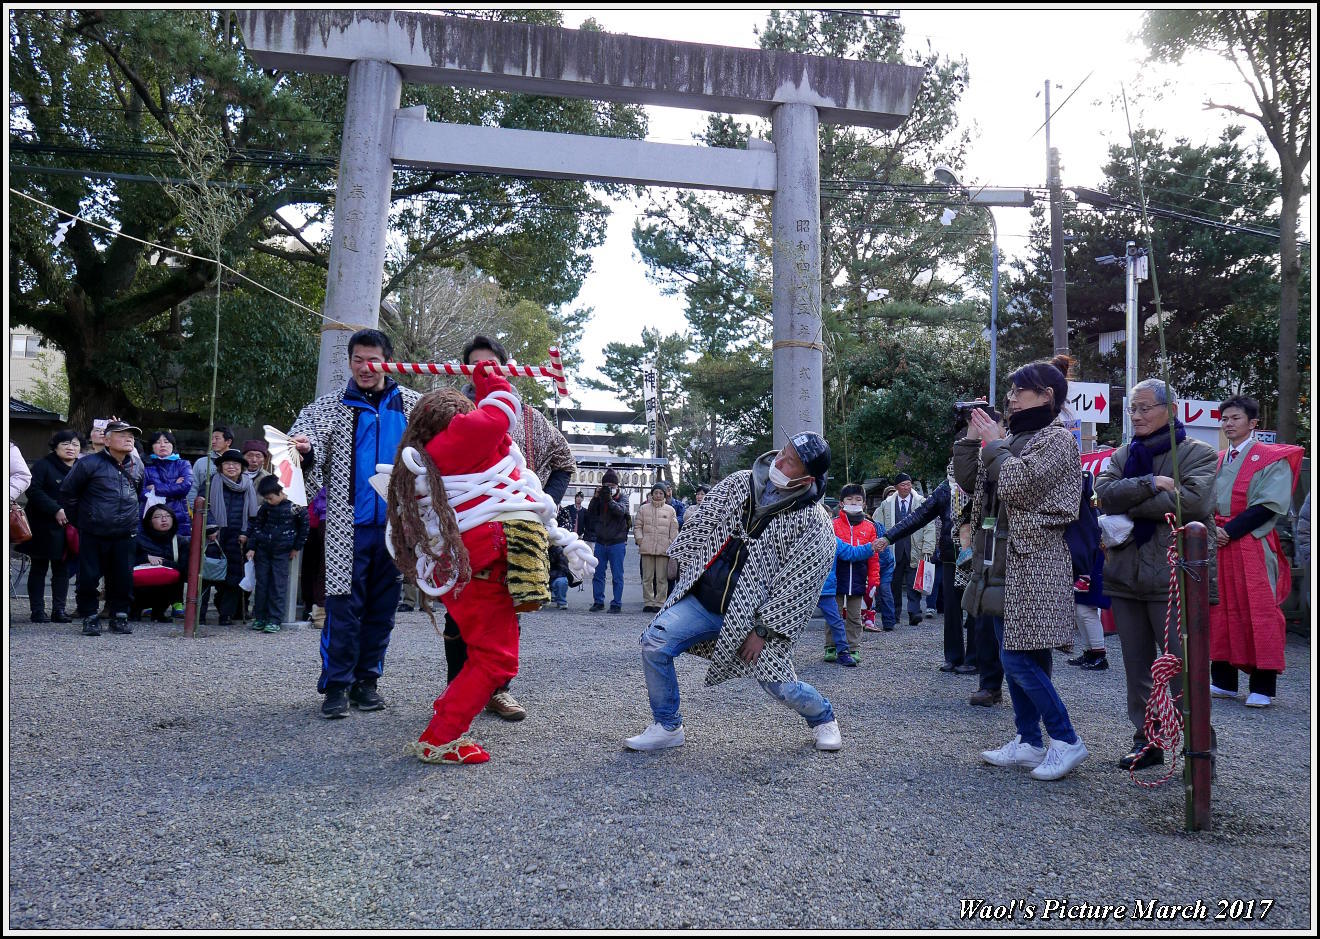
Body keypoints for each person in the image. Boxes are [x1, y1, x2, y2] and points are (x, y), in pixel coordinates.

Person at [384, 366, 594, 763]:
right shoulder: (458, 440)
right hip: (478, 573)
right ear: (455, 420)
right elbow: (502, 410)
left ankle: (450, 710)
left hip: (467, 572)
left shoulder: (435, 454)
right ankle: (440, 738)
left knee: (486, 652)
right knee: (497, 658)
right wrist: (489, 378)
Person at [624, 431, 842, 753]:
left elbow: (800, 585)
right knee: (654, 643)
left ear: (807, 477)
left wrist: (764, 630)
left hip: (752, 619)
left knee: (779, 686)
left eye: (790, 462)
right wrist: (679, 555)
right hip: (703, 600)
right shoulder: (741, 482)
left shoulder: (815, 523)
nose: (779, 461)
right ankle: (667, 725)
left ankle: (824, 717)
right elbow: (703, 521)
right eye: (782, 453)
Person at [961, 355, 1089, 781]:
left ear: (1047, 395)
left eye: (1019, 390)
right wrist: (972, 439)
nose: (1011, 398)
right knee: (1024, 653)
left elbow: (1017, 485)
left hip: (1034, 562)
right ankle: (1029, 742)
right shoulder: (1015, 437)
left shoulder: (1057, 439)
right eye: (1011, 391)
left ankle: (1066, 740)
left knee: (1016, 657)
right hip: (1002, 560)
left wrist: (994, 443)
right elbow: (974, 486)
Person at [442, 334, 578, 723]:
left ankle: (498, 691)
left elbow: (564, 461)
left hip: (513, 531)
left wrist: (542, 502)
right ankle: (457, 686)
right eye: (475, 364)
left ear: (505, 366)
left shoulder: (529, 417)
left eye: (491, 364)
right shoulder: (450, 412)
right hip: (462, 527)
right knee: (459, 611)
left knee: (506, 610)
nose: (483, 371)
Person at [289, 328, 421, 719]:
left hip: (396, 530)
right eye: (358, 359)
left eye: (373, 359)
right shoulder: (328, 407)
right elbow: (302, 447)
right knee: (343, 609)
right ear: (349, 361)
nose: (365, 367)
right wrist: (305, 451)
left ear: (389, 361)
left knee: (383, 610)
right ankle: (336, 685)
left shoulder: (414, 408)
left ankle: (367, 682)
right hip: (347, 527)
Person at [1095, 377, 1219, 770]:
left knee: (1183, 668)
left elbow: (1193, 503)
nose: (1137, 415)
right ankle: (1148, 740)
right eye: (1133, 409)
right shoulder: (1121, 454)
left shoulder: (1198, 452)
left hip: (1174, 578)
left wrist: (1130, 501)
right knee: (1137, 669)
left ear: (1171, 409)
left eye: (1145, 407)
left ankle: (1200, 748)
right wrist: (1151, 484)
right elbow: (1102, 496)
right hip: (1125, 575)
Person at [1208, 396, 1304, 708]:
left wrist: (1228, 531)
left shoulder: (1269, 458)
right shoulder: (1219, 459)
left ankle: (1263, 684)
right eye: (1224, 419)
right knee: (1219, 608)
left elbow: (1268, 505)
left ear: (1253, 423)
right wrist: (1213, 530)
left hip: (1251, 542)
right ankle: (1223, 679)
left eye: (1235, 418)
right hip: (1219, 543)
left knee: (1259, 610)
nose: (1228, 424)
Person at [880, 452, 967, 670]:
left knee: (977, 609)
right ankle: (953, 656)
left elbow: (926, 524)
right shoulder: (945, 488)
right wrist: (888, 536)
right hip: (949, 554)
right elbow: (919, 517)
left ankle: (976, 658)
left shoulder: (983, 482)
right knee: (951, 608)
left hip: (977, 551)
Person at [60, 419, 144, 636]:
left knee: (123, 577)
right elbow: (68, 493)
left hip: (126, 531)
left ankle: (120, 615)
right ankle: (89, 615)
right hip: (93, 530)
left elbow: (139, 493)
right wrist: (82, 520)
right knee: (88, 576)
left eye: (131, 436)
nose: (128, 438)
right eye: (122, 434)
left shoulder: (137, 465)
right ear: (106, 440)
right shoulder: (88, 463)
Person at [24, 430, 81, 623]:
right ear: (55, 446)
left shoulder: (82, 466)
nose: (70, 448)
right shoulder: (43, 465)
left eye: (75, 444)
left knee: (62, 568)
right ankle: (37, 610)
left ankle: (59, 610)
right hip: (42, 524)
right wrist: (55, 509)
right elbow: (33, 490)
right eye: (65, 444)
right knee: (39, 567)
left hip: (70, 527)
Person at [246, 475, 309, 633]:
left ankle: (275, 619)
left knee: (278, 585)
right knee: (262, 584)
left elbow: (304, 529)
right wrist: (252, 546)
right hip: (263, 549)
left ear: (282, 492)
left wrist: (296, 547)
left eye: (270, 498)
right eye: (266, 498)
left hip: (283, 551)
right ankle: (260, 616)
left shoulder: (296, 507)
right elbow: (256, 526)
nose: (268, 501)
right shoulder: (266, 508)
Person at [872, 473, 935, 627]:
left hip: (916, 547)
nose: (907, 487)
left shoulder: (921, 502)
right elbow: (878, 524)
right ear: (896, 487)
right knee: (894, 583)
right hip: (894, 549)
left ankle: (914, 612)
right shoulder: (887, 505)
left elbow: (929, 526)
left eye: (909, 484)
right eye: (903, 485)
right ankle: (895, 614)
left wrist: (928, 547)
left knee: (915, 582)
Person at [205, 448, 259, 626]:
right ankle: (200, 614)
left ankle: (225, 615)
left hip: (237, 536)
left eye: (235, 464)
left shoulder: (247, 485)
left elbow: (253, 516)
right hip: (214, 535)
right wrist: (210, 527)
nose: (231, 467)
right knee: (207, 573)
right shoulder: (211, 482)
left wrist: (246, 533)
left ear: (242, 467)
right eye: (226, 463)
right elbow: (203, 506)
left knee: (234, 576)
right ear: (220, 467)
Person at [830, 484, 880, 664]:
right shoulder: (833, 524)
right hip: (836, 577)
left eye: (858, 499)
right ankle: (831, 646)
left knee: (855, 615)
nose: (854, 502)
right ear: (841, 503)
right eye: (849, 499)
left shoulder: (869, 527)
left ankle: (853, 647)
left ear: (864, 504)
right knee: (833, 613)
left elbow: (874, 557)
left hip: (859, 577)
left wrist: (874, 579)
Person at [132, 505, 189, 622]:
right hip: (140, 588)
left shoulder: (180, 541)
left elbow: (185, 569)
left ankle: (160, 611)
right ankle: (135, 609)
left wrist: (163, 562)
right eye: (158, 517)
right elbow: (126, 561)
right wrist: (146, 558)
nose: (164, 519)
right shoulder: (137, 539)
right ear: (149, 521)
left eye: (168, 516)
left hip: (168, 588)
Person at [587, 469, 630, 614]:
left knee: (617, 575)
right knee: (598, 574)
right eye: (606, 485)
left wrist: (609, 500)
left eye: (612, 485)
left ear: (617, 486)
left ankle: (616, 603)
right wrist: (595, 498)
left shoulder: (623, 497)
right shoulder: (599, 498)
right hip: (600, 542)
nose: (609, 488)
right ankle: (598, 601)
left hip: (617, 542)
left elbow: (620, 511)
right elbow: (590, 513)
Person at [635, 483, 679, 613]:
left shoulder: (670, 510)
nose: (658, 495)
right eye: (656, 493)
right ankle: (648, 602)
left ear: (665, 494)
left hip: (663, 549)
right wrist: (640, 540)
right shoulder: (643, 509)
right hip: (646, 548)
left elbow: (674, 529)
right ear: (652, 494)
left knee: (661, 578)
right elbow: (637, 526)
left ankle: (660, 602)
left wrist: (671, 543)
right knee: (647, 577)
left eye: (661, 493)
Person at [142, 431, 194, 539]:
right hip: (153, 518)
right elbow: (141, 493)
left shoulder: (183, 464)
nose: (162, 445)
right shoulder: (144, 466)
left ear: (172, 445)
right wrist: (174, 485)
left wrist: (155, 489)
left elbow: (184, 488)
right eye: (157, 442)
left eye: (166, 442)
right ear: (152, 447)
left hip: (179, 517)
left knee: (180, 551)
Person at [189, 426, 234, 504]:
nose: (213, 441)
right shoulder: (201, 463)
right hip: (205, 508)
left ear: (228, 442)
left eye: (217, 438)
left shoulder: (238, 463)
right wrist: (194, 509)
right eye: (212, 438)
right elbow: (193, 487)